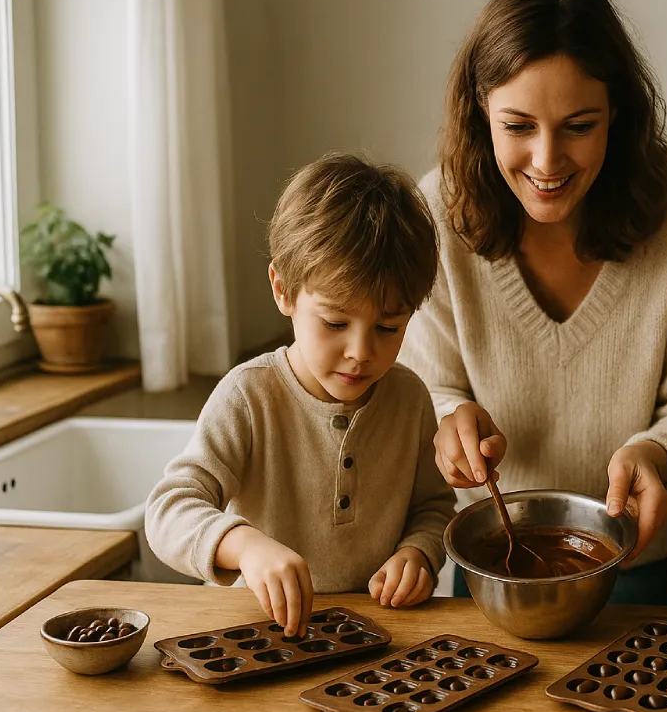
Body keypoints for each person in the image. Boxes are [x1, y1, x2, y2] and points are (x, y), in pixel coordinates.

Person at [399, 0, 667, 604]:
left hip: (656, 578)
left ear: (618, 110)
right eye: (518, 126)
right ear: (481, 112)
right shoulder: (436, 213)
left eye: (579, 126)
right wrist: (449, 419)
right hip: (489, 573)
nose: (547, 161)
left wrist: (659, 456)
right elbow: (426, 387)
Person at [145, 153, 455, 637]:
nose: (360, 352)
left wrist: (418, 553)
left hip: (369, 639)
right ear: (283, 290)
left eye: (388, 327)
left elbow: (434, 508)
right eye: (335, 323)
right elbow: (168, 509)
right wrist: (244, 546)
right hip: (251, 635)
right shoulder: (249, 397)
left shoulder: (410, 400)